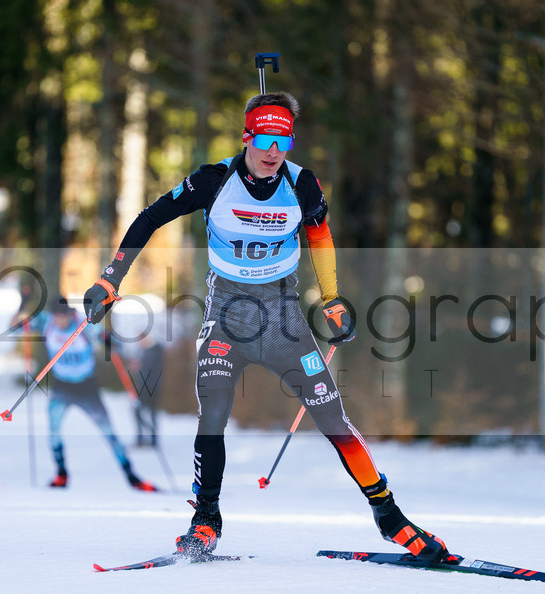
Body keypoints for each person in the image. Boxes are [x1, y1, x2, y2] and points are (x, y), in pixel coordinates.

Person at [84, 91, 459, 564]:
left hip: (283, 322)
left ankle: (391, 518)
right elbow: (149, 218)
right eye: (264, 139)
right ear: (247, 137)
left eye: (283, 141)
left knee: (333, 418)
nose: (273, 152)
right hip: (225, 319)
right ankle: (205, 518)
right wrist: (109, 278)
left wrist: (332, 299)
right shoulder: (213, 180)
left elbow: (320, 234)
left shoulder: (302, 184)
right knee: (213, 415)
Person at [17, 298, 157, 492]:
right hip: (62, 387)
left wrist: (109, 340)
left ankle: (131, 476)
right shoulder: (45, 322)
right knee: (54, 428)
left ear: (70, 313)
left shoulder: (83, 324)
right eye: (57, 316)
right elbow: (16, 328)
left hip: (86, 387)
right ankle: (61, 473)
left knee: (108, 431)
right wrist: (21, 310)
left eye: (64, 316)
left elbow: (105, 337)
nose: (61, 320)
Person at [132, 335, 164, 448]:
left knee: (150, 413)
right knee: (139, 412)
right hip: (143, 387)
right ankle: (143, 438)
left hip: (151, 388)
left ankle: (152, 439)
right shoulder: (145, 352)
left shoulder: (155, 351)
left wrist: (140, 366)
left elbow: (150, 369)